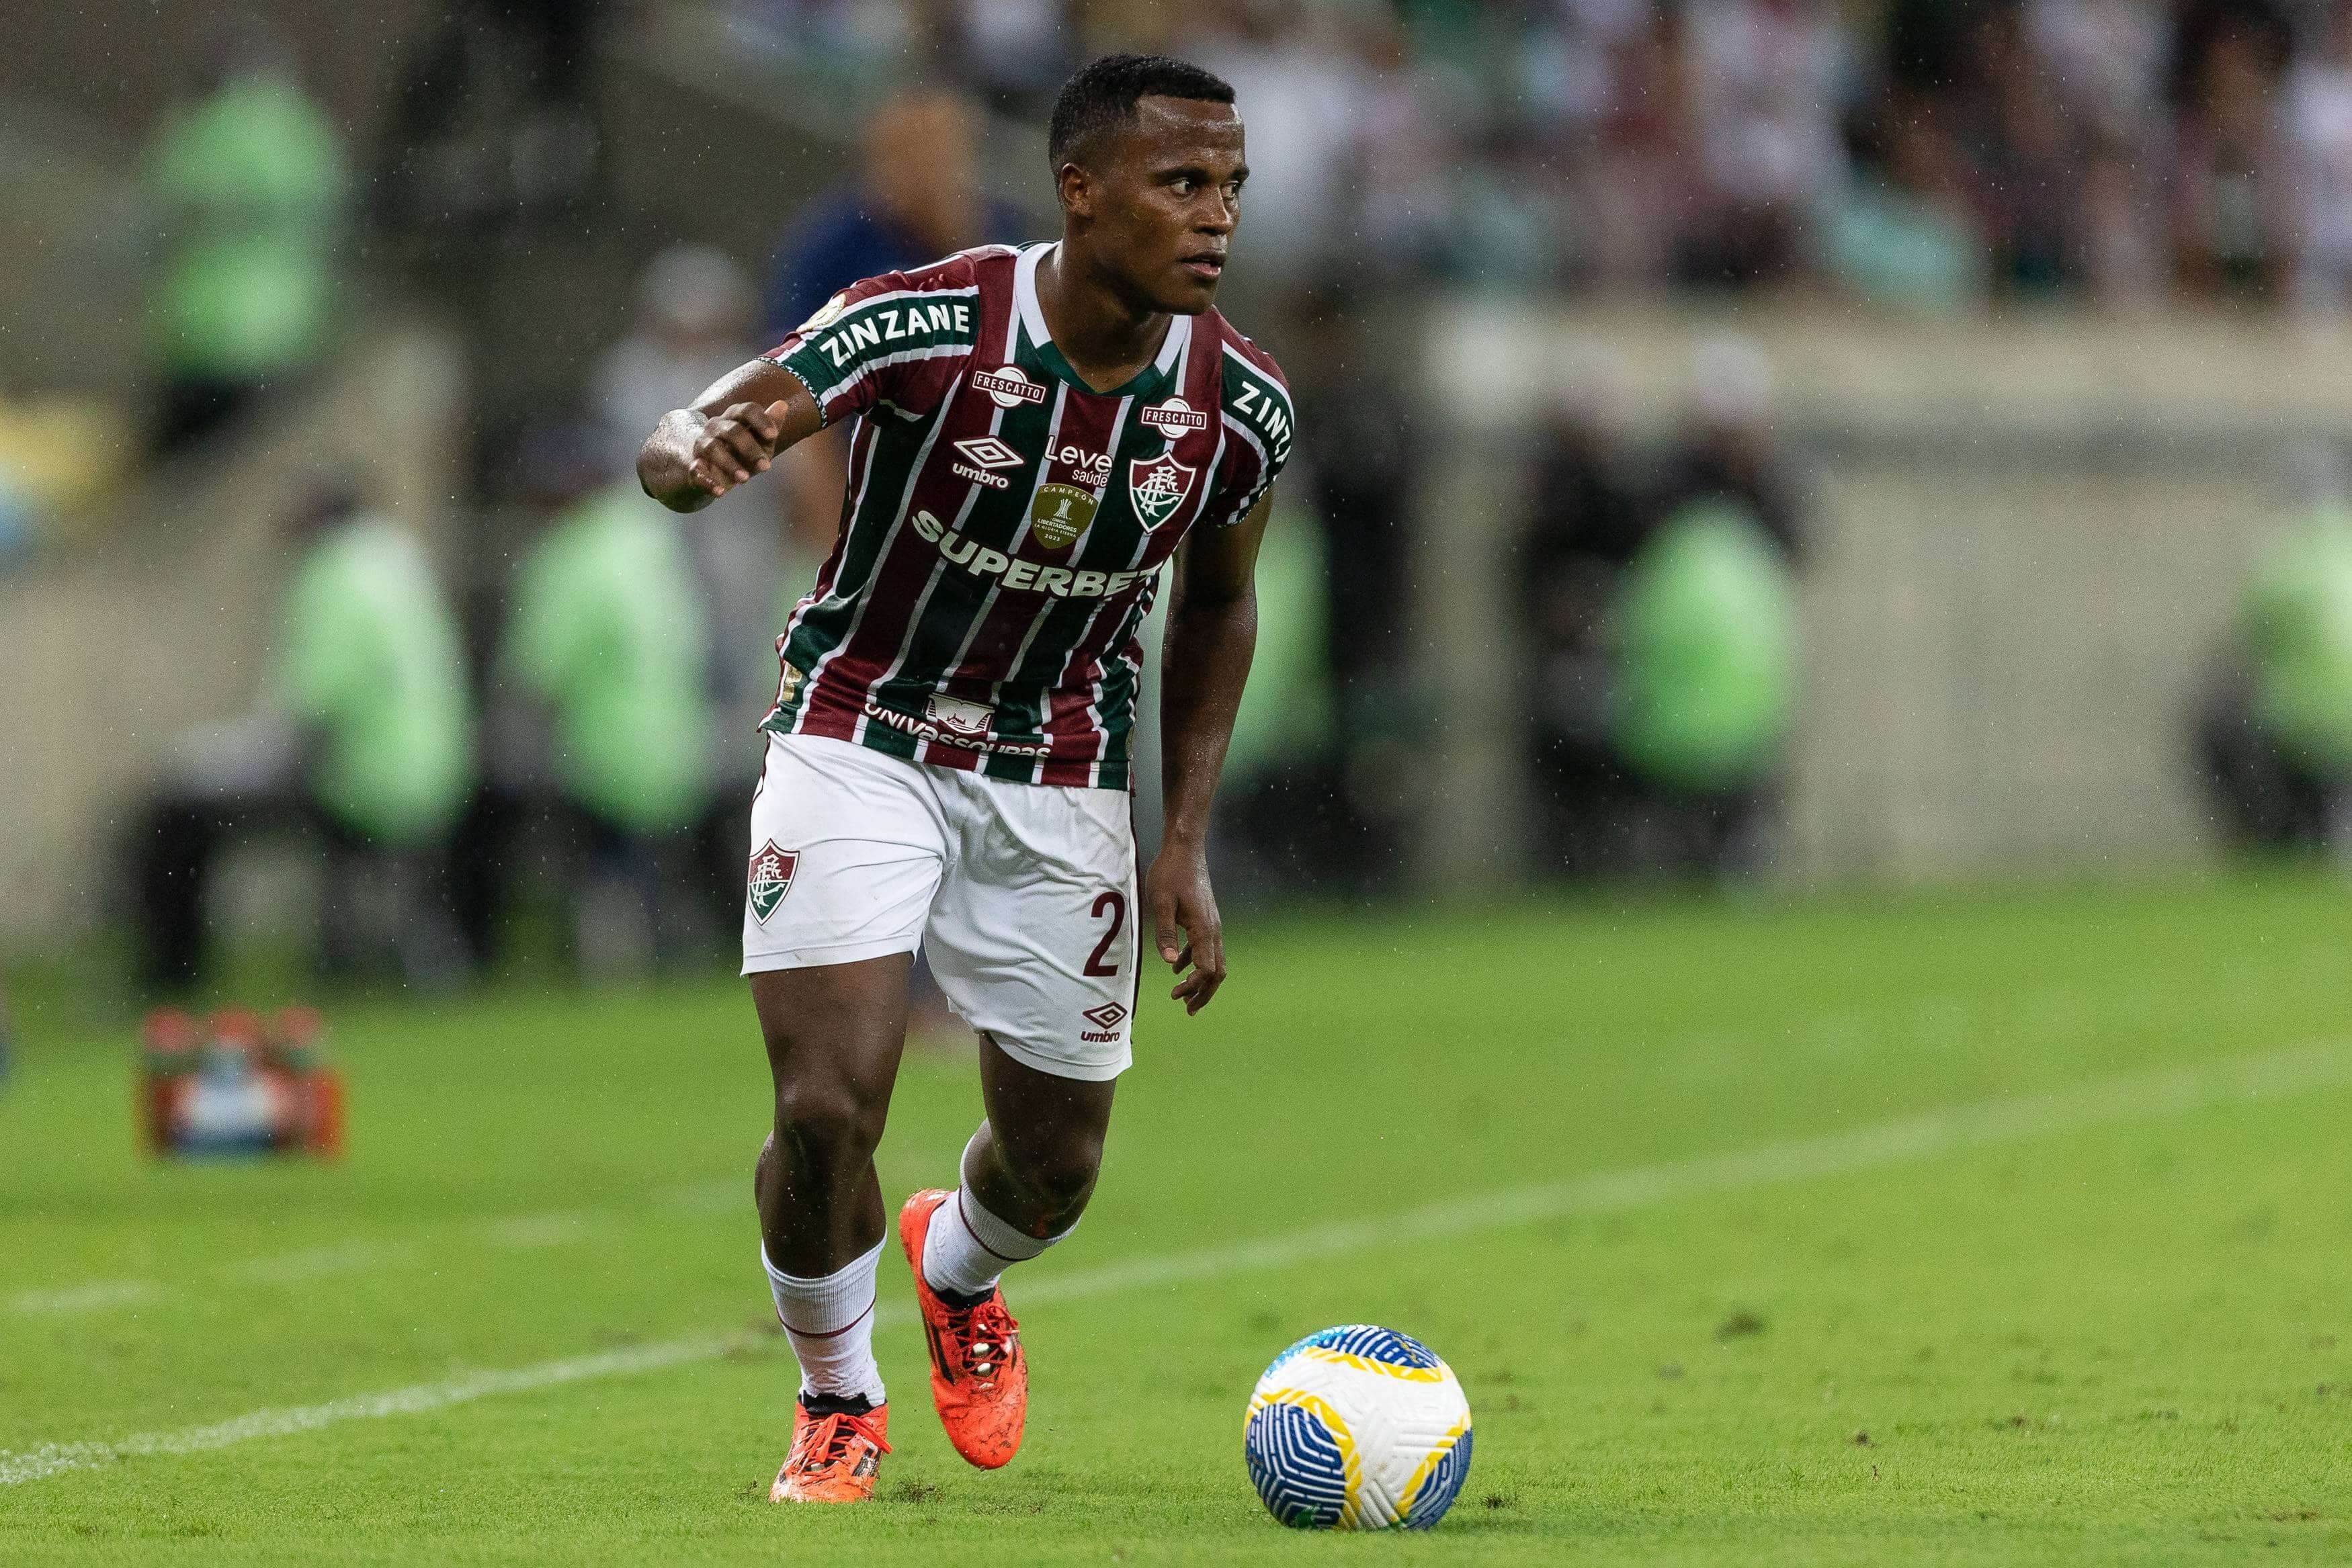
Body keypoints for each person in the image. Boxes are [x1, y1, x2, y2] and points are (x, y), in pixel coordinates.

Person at [637, 54, 1292, 1504]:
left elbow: (1221, 607)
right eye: (1182, 184)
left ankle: (953, 1265)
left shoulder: (1235, 408)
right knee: (825, 1105)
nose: (1215, 218)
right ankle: (837, 1395)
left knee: (1056, 1166)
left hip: (1058, 767)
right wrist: (688, 452)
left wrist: (1180, 841)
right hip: (859, 730)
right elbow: (719, 416)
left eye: (1230, 188)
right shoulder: (929, 319)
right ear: (1081, 190)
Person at [134, 484, 473, 991]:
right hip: (438, 772)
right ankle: (381, 950)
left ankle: (170, 978)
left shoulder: (331, 577)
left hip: (365, 779)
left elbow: (309, 712)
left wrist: (212, 756)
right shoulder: (398, 561)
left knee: (175, 813)